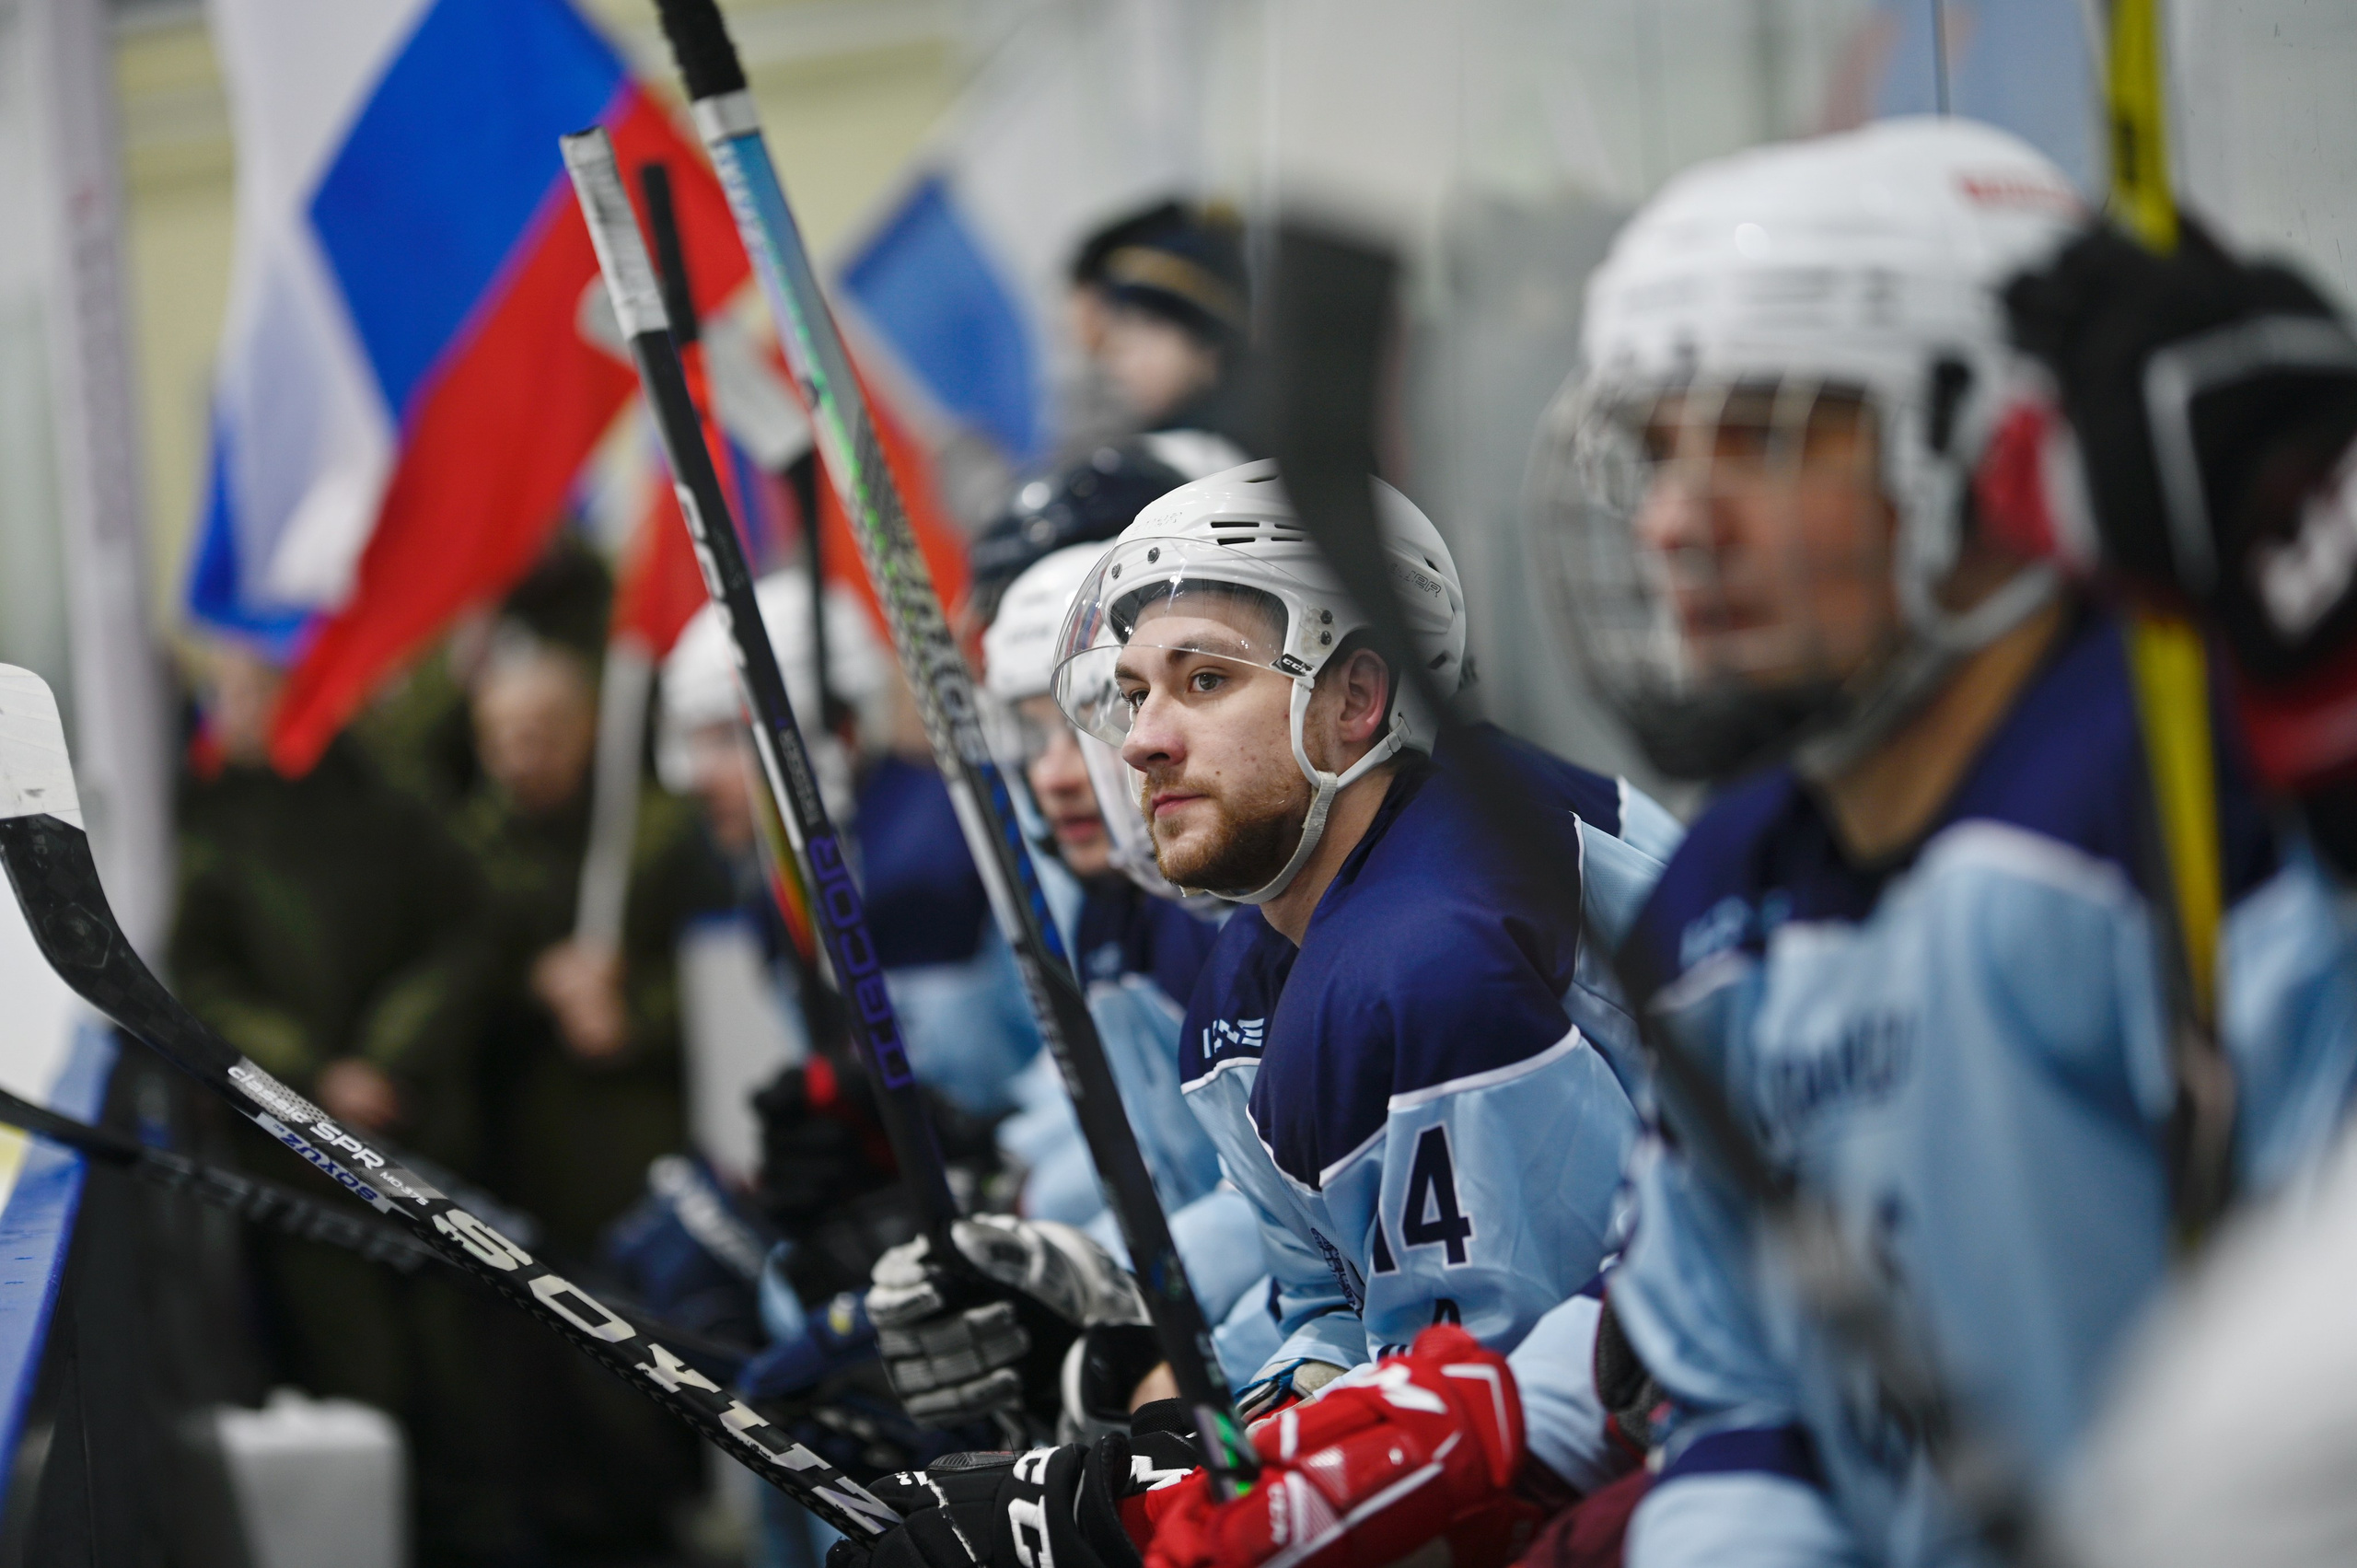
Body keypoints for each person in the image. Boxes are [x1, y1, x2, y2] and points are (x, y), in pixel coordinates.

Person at [1512, 117, 2357, 1568]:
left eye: (1763, 432)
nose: (1671, 520)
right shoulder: (1721, 898)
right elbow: (1749, 1396)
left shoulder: (2189, 789)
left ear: (1996, 449)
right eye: (1655, 448)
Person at [171, 639, 523, 1563]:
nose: (240, 710)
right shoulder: (207, 825)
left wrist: (389, 1055)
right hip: (301, 1157)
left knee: (461, 1378)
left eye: (260, 689)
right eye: (230, 691)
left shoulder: (395, 803)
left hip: (420, 1133)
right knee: (354, 1377)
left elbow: (470, 930)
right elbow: (199, 977)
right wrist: (313, 1070)